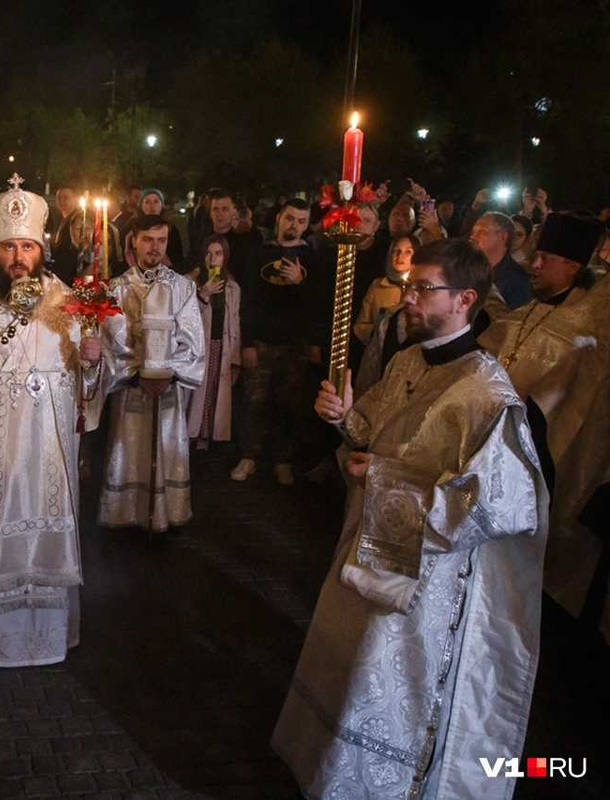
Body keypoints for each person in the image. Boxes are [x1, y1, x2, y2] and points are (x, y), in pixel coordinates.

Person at [273, 238, 548, 799]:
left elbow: (505, 505)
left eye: (423, 289)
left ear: (465, 298)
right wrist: (345, 417)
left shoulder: (488, 396)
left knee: (381, 680)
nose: (408, 300)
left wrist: (383, 478)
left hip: (426, 581)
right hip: (368, 550)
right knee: (348, 668)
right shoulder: (406, 360)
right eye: (408, 286)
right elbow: (370, 433)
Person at [0, 175, 114, 667]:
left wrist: (93, 361)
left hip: (50, 455)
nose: (18, 258)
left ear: (41, 249)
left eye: (27, 246)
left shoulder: (71, 306)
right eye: (9, 247)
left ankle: (49, 639)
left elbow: (91, 389)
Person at [481, 213, 605, 631]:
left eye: (546, 258)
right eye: (536, 256)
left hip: (541, 452)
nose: (534, 265)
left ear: (572, 265)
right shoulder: (523, 314)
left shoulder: (584, 327)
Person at [98, 214, 203, 535]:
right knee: (127, 446)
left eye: (161, 240)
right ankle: (124, 514)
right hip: (130, 389)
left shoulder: (183, 287)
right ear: (134, 240)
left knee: (165, 447)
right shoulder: (116, 288)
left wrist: (166, 374)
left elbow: (194, 344)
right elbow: (107, 343)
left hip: (168, 390)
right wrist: (136, 373)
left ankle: (165, 513)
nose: (154, 247)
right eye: (148, 239)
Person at [231, 198, 325, 486]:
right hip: (261, 342)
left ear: (306, 225)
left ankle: (283, 460)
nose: (293, 224)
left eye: (300, 220)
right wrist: (246, 343)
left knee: (290, 404)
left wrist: (302, 283)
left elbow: (320, 305)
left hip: (295, 344)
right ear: (279, 219)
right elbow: (247, 301)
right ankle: (249, 456)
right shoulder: (259, 253)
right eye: (289, 218)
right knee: (254, 401)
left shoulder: (314, 259)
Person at [185, 234, 240, 450]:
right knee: (197, 394)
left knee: (216, 390)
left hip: (221, 346)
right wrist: (203, 294)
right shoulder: (189, 283)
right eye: (208, 253)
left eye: (218, 254)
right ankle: (191, 436)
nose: (212, 259)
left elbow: (235, 323)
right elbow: (186, 320)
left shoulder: (232, 287)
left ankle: (208, 438)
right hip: (199, 348)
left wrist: (235, 358)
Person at [353, 235, 414, 343]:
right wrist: (379, 331)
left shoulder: (419, 288)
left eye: (408, 252)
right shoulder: (378, 285)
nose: (400, 256)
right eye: (396, 251)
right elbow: (361, 325)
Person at [470, 211, 531, 309]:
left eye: (482, 232)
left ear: (503, 237)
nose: (473, 237)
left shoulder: (518, 283)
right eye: (473, 232)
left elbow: (513, 322)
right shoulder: (467, 269)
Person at [139, 188, 183, 267]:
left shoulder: (171, 229)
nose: (151, 206)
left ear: (162, 205)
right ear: (141, 206)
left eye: (156, 201)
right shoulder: (133, 227)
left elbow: (178, 258)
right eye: (147, 202)